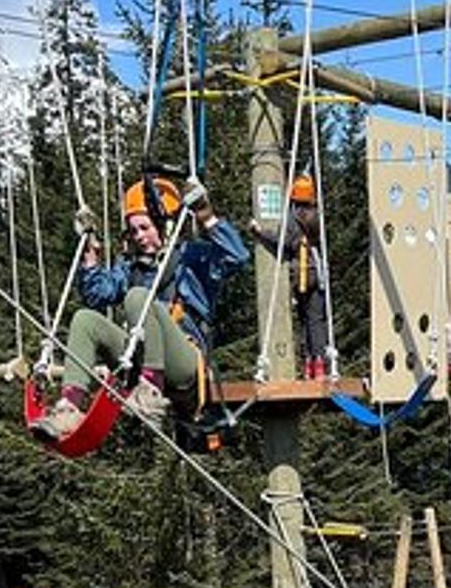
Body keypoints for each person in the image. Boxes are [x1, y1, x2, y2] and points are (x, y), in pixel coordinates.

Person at [32, 175, 251, 443]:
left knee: (138, 297)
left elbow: (237, 257)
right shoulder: (132, 267)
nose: (139, 236)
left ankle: (150, 392)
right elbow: (98, 295)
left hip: (184, 364)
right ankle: (69, 409)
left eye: (145, 228)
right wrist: (90, 259)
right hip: (139, 361)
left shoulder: (192, 258)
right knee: (85, 320)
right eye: (134, 230)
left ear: (164, 224)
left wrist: (206, 216)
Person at [249, 175, 332, 380]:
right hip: (316, 269)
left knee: (304, 319)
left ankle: (308, 363)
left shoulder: (292, 218)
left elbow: (283, 242)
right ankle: (319, 364)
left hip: (299, 271)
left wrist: (260, 232)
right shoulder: (317, 217)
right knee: (316, 320)